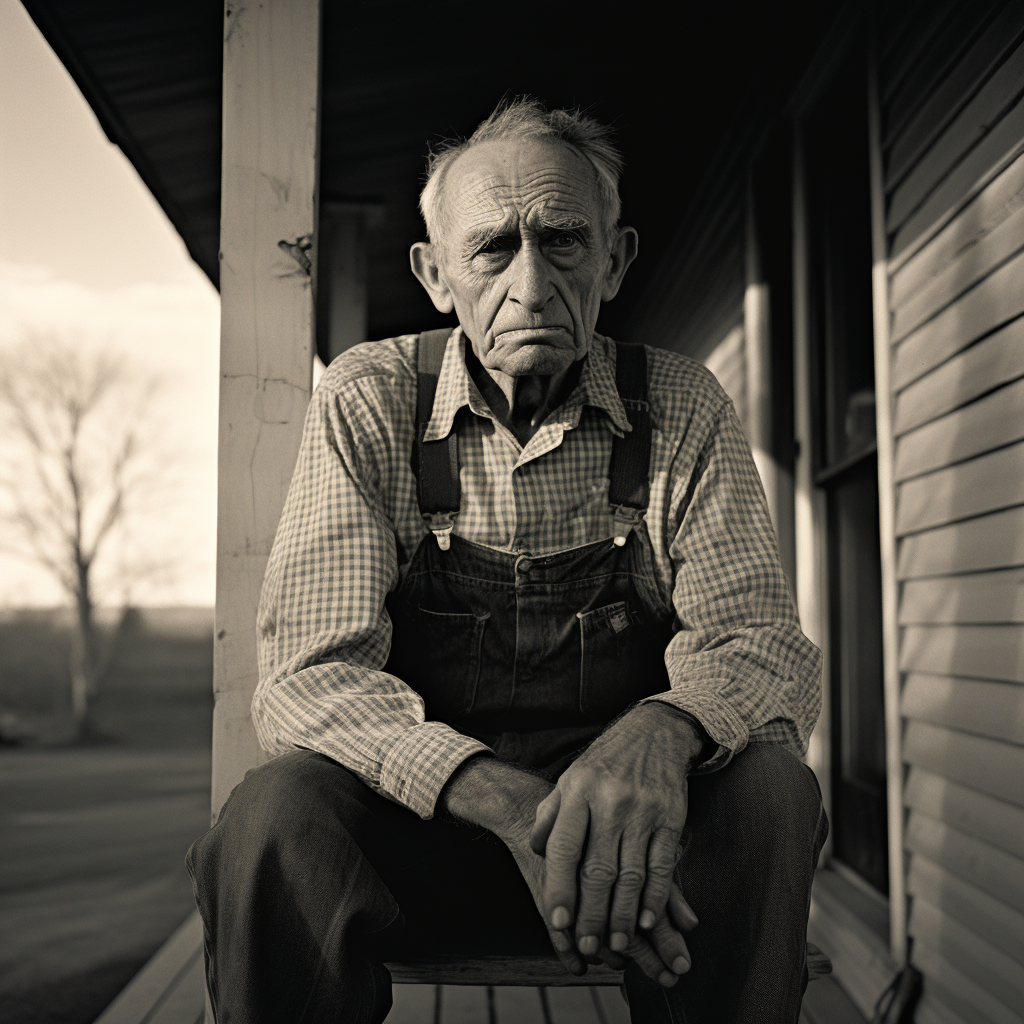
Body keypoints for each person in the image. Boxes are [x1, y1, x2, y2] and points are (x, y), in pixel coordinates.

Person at [188, 98, 827, 1024]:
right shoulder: (372, 402)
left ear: (616, 259)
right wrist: (513, 804)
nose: (530, 283)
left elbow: (761, 644)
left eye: (563, 240)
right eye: (493, 248)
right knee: (272, 819)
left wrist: (659, 735)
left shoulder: (680, 405)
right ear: (436, 274)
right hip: (427, 842)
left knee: (772, 791)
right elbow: (310, 678)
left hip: (634, 859)